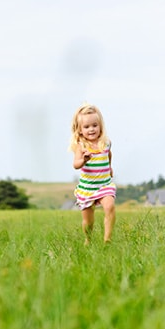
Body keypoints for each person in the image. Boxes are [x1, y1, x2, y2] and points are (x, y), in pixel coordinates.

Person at [70, 103, 116, 245]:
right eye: (87, 127)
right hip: (87, 188)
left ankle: (107, 240)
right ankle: (88, 239)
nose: (91, 129)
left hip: (104, 184)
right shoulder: (82, 146)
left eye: (94, 125)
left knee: (109, 206)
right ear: (80, 130)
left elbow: (109, 154)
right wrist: (83, 160)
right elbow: (76, 164)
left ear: (100, 126)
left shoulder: (106, 143)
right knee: (88, 221)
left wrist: (109, 167)